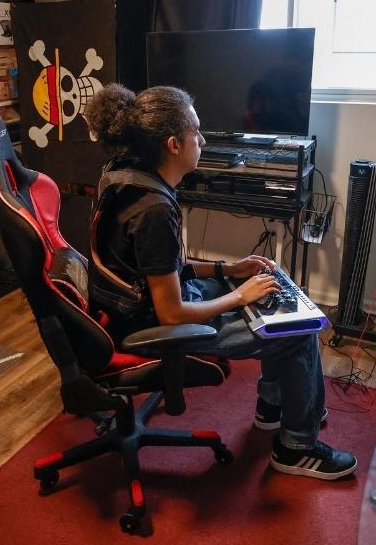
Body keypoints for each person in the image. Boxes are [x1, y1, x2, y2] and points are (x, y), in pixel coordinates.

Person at [84, 84, 357, 480]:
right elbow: (172, 311)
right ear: (174, 144)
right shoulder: (154, 211)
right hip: (157, 329)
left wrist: (229, 271)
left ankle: (273, 407)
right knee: (297, 332)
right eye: (197, 133)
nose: (204, 139)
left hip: (132, 309)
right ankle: (297, 446)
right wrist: (238, 297)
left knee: (265, 302)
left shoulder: (126, 176)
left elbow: (161, 267)